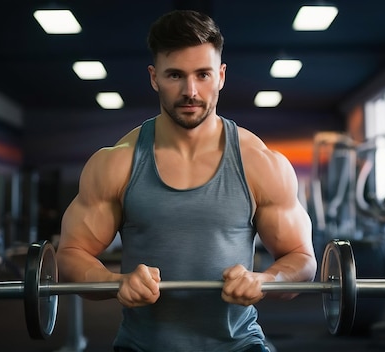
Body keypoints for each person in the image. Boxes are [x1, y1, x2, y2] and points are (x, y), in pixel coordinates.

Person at [57, 9, 317, 352]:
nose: (190, 91)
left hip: (239, 344)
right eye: (175, 75)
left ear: (221, 75)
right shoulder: (116, 162)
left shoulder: (260, 163)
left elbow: (302, 259)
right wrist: (115, 281)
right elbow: (71, 254)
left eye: (203, 75)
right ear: (154, 77)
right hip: (142, 345)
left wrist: (266, 279)